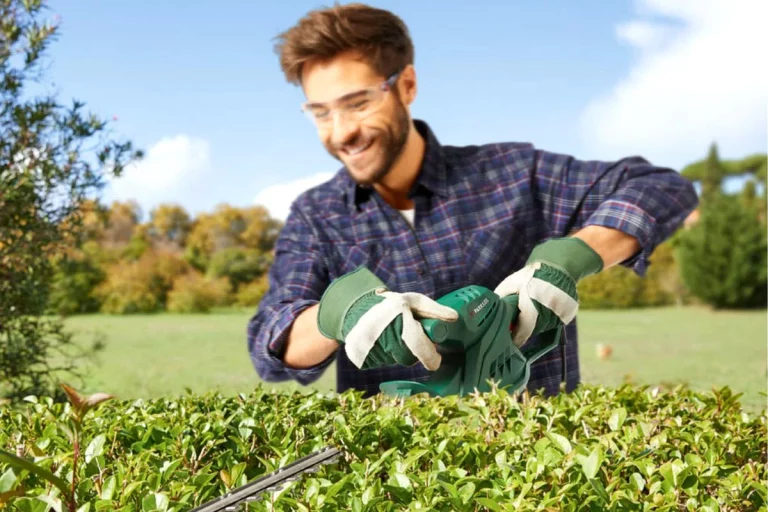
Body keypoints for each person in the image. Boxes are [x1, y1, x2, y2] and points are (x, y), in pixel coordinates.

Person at [246, 3, 699, 399]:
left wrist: (572, 258)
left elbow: (659, 187)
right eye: (321, 112)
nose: (341, 131)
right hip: (392, 477)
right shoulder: (316, 215)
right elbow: (272, 342)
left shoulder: (513, 172)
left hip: (538, 470)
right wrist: (336, 315)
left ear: (406, 86)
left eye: (358, 103)